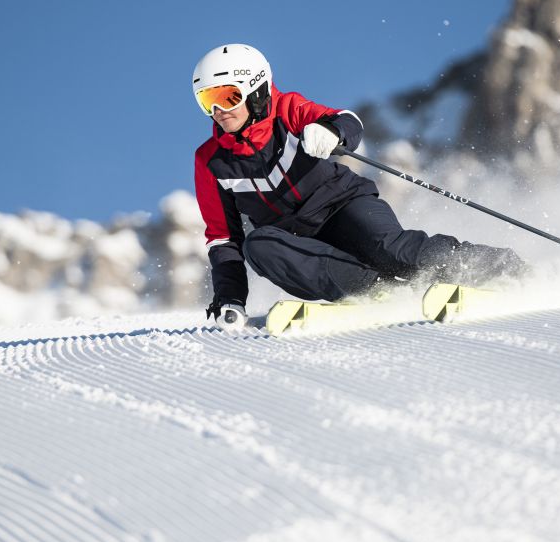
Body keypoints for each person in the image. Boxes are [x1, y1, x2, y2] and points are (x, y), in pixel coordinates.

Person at [193, 44, 526, 331]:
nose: (219, 111)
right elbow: (223, 238)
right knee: (257, 246)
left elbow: (347, 120)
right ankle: (376, 291)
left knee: (392, 249)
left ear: (257, 89)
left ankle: (500, 267)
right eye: (208, 101)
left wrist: (332, 132)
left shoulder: (287, 111)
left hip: (343, 205)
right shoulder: (212, 162)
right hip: (298, 241)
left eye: (228, 96)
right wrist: (230, 298)